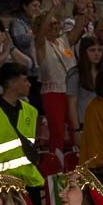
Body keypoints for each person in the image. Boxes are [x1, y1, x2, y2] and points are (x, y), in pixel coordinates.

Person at [0, 63, 44, 190]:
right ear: (12, 83)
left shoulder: (31, 111)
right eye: (25, 80)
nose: (29, 84)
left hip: (28, 180)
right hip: (1, 182)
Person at [34, 10, 86, 159]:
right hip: (53, 92)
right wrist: (53, 8)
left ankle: (77, 159)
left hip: (71, 92)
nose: (55, 26)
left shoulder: (64, 41)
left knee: (75, 127)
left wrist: (81, 11)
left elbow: (78, 29)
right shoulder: (41, 43)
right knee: (57, 130)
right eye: (50, 24)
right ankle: (56, 163)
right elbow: (41, 32)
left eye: (56, 23)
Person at [67, 36, 103, 137]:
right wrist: (76, 129)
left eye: (99, 50)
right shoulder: (75, 73)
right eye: (92, 50)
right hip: (84, 122)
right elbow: (72, 103)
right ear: (84, 52)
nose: (97, 53)